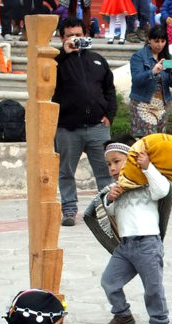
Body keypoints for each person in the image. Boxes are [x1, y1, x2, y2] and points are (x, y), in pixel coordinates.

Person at [98, 141, 172, 324]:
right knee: (108, 281)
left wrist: (147, 167)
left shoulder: (146, 183)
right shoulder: (116, 187)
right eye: (109, 164)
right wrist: (110, 200)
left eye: (117, 162)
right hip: (125, 246)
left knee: (152, 288)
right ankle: (123, 314)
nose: (112, 168)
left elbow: (163, 190)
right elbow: (111, 212)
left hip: (147, 244)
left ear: (130, 160)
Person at [53, 17, 117, 226]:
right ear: (62, 37)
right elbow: (44, 78)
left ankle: (107, 209)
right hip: (67, 128)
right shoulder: (55, 61)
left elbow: (109, 89)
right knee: (66, 172)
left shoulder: (97, 59)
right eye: (70, 35)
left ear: (85, 35)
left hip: (98, 127)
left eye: (78, 35)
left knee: (106, 172)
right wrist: (63, 54)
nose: (75, 39)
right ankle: (69, 210)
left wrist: (110, 114)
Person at [128, 25, 172, 138]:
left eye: (163, 41)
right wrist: (152, 72)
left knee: (159, 141)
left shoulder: (168, 57)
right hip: (143, 104)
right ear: (149, 40)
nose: (160, 44)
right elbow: (136, 79)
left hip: (162, 106)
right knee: (146, 142)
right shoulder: (138, 56)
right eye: (156, 41)